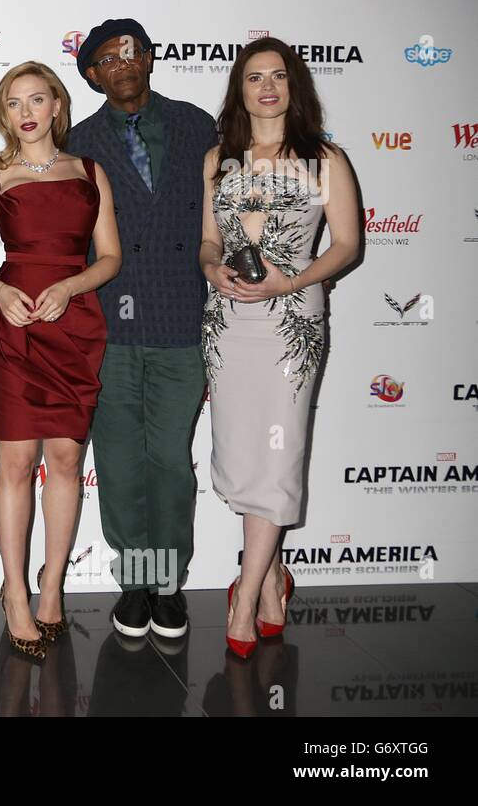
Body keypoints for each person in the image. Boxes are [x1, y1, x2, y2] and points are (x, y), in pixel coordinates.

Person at [0, 18, 217, 639]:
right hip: (75, 327)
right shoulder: (56, 150)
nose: (120, 64)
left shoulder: (194, 128)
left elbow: (222, 206)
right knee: (110, 464)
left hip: (160, 318)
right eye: (105, 59)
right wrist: (3, 288)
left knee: (165, 461)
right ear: (89, 77)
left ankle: (164, 581)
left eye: (129, 52)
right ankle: (128, 582)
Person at [200, 37, 357, 659]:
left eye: (279, 76)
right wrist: (213, 271)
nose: (267, 87)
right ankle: (270, 584)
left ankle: (242, 602)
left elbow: (346, 245)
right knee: (241, 458)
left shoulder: (325, 159)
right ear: (239, 90)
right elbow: (208, 243)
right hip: (228, 326)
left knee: (278, 456)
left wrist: (291, 280)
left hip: (292, 324)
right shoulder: (218, 159)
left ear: (295, 87)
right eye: (254, 77)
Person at [0, 62, 120, 660]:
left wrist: (71, 287)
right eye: (12, 102)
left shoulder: (90, 173)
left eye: (36, 99)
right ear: (4, 114)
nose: (25, 111)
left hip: (73, 322)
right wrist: (1, 292)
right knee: (17, 462)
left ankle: (51, 586)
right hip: (15, 327)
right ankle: (15, 594)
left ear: (57, 105)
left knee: (66, 456)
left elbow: (110, 258)